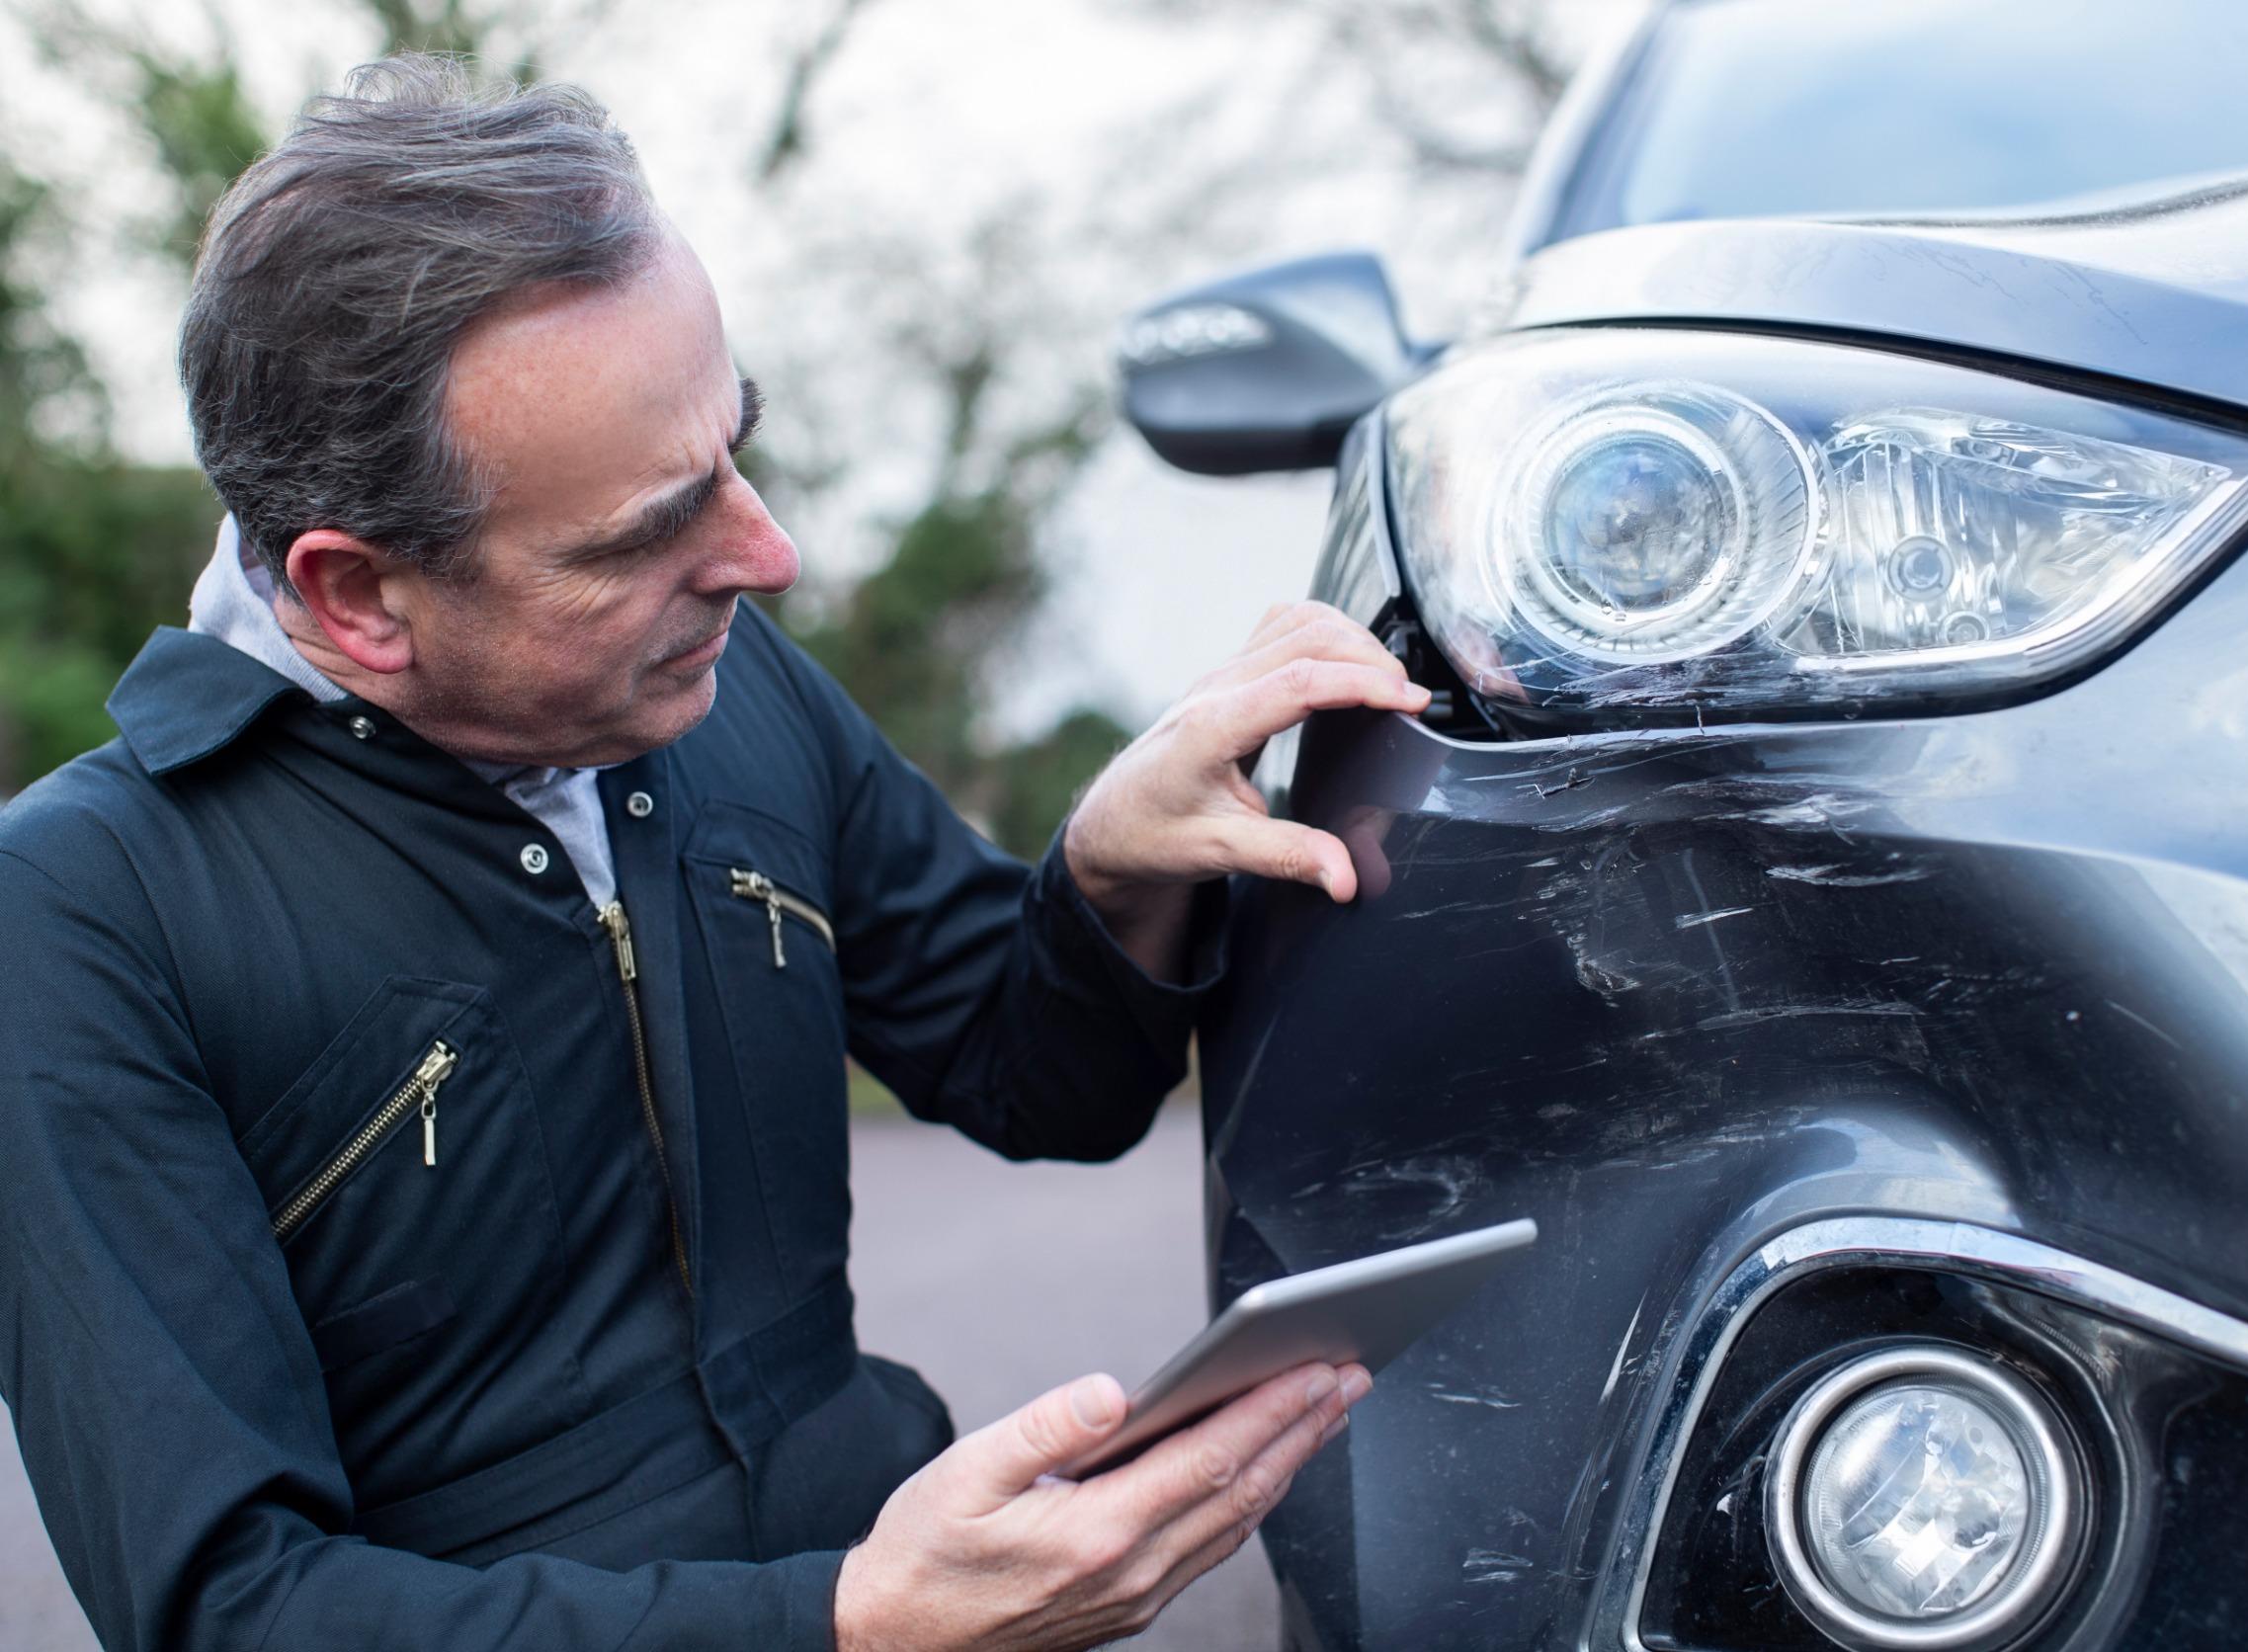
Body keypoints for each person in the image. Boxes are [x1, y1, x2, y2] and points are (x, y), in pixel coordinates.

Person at [0, 55, 1427, 1652]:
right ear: (355, 600)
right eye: (642, 534)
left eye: (738, 449)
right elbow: (231, 1613)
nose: (765, 553)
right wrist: (846, 1626)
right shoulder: (80, 916)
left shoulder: (718, 684)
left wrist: (1110, 864)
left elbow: (1052, 1083)